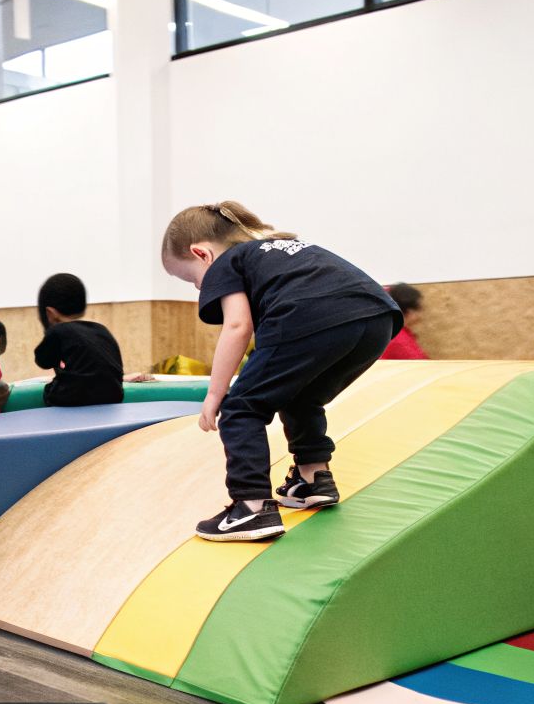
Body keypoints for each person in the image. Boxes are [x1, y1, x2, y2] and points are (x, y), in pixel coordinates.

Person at [161, 201, 400, 542]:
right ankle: (312, 478)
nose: (201, 288)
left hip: (311, 315)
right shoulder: (274, 253)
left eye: (193, 280)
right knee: (301, 395)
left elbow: (238, 326)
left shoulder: (227, 262)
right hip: (377, 317)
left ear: (202, 255)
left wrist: (216, 394)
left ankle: (252, 507)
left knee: (242, 407)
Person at [33, 273, 125, 407]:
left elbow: (42, 360)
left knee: (50, 390)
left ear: (50, 313)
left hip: (72, 396)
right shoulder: (101, 329)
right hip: (114, 395)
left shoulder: (58, 331)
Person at [378, 283, 430, 360]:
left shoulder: (390, 331)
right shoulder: (399, 339)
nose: (421, 315)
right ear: (409, 311)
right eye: (419, 308)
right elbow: (421, 366)